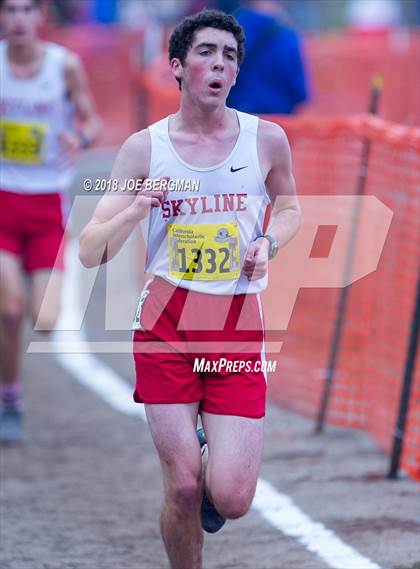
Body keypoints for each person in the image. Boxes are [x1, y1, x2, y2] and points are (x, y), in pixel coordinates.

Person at [79, 9, 300, 569]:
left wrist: (268, 243)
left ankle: (210, 460)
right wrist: (133, 210)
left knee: (232, 497)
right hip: (166, 323)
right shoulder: (142, 150)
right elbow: (90, 249)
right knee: (180, 488)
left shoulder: (267, 140)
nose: (219, 64)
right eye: (206, 52)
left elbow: (292, 207)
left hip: (235, 326)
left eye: (229, 56)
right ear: (177, 66)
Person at [0, 0, 101, 443]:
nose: (18, 19)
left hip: (46, 207)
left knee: (44, 319)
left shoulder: (64, 66)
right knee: (9, 311)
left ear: (40, 16)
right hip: (2, 202)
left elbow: (94, 121)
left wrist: (77, 137)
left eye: (26, 9)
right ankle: (10, 399)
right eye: (8, 10)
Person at [227, 0, 309, 114]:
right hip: (279, 119)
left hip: (239, 116)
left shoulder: (229, 30)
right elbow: (300, 92)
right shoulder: (288, 35)